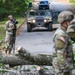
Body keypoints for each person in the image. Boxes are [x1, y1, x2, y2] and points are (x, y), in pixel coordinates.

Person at [52, 11, 74, 75]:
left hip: (66, 66)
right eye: (70, 22)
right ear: (64, 22)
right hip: (63, 68)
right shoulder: (61, 34)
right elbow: (60, 53)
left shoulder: (65, 32)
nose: (71, 24)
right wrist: (64, 69)